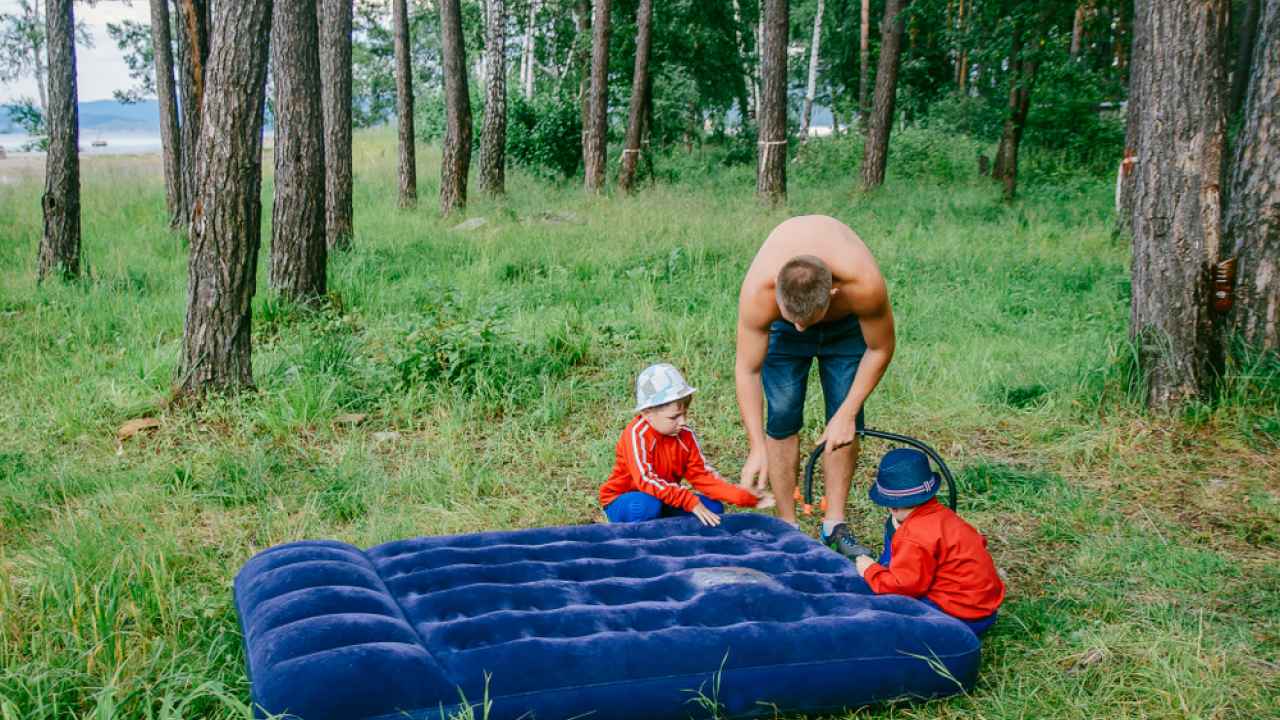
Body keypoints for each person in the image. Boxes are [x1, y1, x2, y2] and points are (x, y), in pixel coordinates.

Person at [735, 215, 896, 557]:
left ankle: (834, 525)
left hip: (846, 328)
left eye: (807, 321)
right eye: (793, 318)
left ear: (833, 294)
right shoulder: (759, 292)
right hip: (782, 328)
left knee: (843, 419)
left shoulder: (862, 284)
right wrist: (755, 447)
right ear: (778, 292)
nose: (801, 329)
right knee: (781, 413)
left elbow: (880, 347)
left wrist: (847, 413)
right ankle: (786, 526)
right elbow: (747, 369)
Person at [847, 449, 1005, 636]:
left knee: (884, 613)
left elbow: (905, 588)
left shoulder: (913, 535)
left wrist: (870, 570)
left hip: (960, 616)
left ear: (892, 507)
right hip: (985, 609)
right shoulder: (944, 516)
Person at [600, 363, 773, 526]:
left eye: (684, 414)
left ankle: (664, 529)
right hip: (625, 500)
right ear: (647, 413)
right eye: (674, 417)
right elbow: (646, 480)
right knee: (646, 506)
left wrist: (745, 497)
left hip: (664, 498)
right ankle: (638, 539)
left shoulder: (685, 436)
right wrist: (689, 501)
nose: (682, 421)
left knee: (714, 509)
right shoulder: (636, 434)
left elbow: (702, 477)